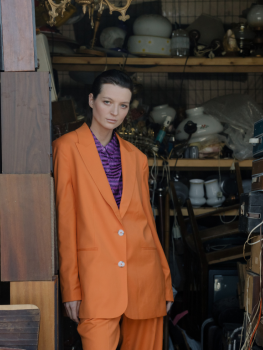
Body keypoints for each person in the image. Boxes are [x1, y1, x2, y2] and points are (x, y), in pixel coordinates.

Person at [53, 69, 173, 350]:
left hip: (145, 280)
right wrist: (71, 288)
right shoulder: (66, 148)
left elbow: (147, 224)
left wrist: (165, 282)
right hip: (96, 282)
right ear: (92, 100)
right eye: (107, 102)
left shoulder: (137, 158)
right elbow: (66, 224)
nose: (114, 112)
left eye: (123, 105)